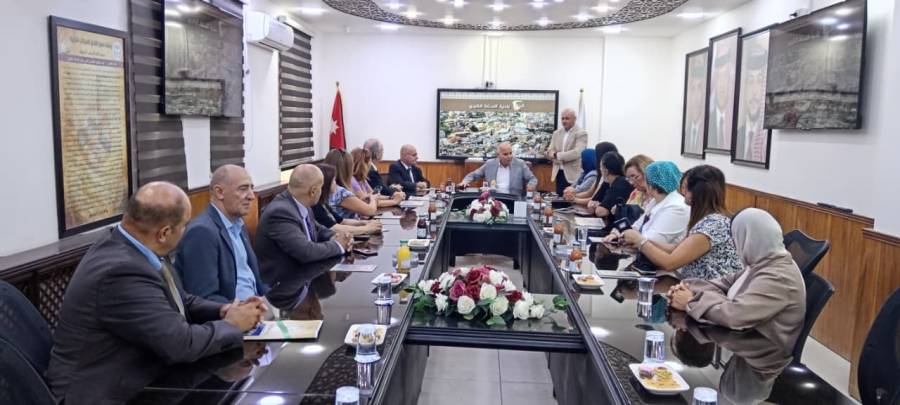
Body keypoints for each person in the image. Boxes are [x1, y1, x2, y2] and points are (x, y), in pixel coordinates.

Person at [46, 182, 266, 404]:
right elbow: (180, 344)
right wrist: (232, 325)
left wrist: (223, 310)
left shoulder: (134, 244)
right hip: (104, 394)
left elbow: (180, 300)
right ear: (164, 233)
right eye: (184, 226)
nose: (186, 231)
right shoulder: (122, 272)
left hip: (143, 377)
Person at [668, 208, 807, 352]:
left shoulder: (778, 277)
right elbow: (722, 284)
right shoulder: (762, 261)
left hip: (762, 355)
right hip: (742, 343)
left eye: (736, 239)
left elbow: (733, 316)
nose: (735, 245)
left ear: (749, 239)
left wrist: (690, 301)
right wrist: (686, 287)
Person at [622, 165, 742, 280]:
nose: (682, 192)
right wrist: (638, 241)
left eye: (685, 187)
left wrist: (640, 241)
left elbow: (670, 263)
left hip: (709, 290)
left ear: (697, 191)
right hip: (693, 285)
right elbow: (676, 248)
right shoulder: (706, 219)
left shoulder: (713, 225)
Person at [174, 165, 269, 303]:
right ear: (219, 192)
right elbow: (204, 298)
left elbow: (254, 279)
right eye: (243, 189)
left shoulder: (238, 224)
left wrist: (271, 303)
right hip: (234, 313)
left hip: (258, 307)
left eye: (251, 188)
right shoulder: (202, 232)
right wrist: (245, 310)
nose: (251, 196)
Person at [255, 164, 353, 288]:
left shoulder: (301, 203)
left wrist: (338, 237)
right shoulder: (280, 212)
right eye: (321, 188)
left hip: (304, 278)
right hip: (283, 287)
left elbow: (318, 229)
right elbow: (306, 252)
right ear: (313, 191)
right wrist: (338, 245)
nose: (321, 192)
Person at [607, 161, 689, 245]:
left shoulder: (677, 207)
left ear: (652, 183)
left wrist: (627, 236)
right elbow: (637, 226)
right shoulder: (656, 201)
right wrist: (618, 234)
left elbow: (653, 240)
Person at [313, 163, 382, 235]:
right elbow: (334, 228)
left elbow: (342, 221)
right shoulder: (315, 205)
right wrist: (367, 229)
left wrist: (365, 223)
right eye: (333, 180)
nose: (336, 184)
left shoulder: (323, 202)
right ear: (326, 184)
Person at [458, 142, 538, 197]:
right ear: (498, 155)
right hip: (494, 198)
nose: (509, 156)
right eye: (505, 154)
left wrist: (531, 185)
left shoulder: (520, 164)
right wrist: (464, 182)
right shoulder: (490, 164)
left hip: (514, 199)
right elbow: (474, 175)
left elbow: (533, 179)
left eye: (510, 153)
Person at [323, 148, 378, 218]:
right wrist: (373, 198)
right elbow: (370, 211)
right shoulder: (341, 193)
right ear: (348, 169)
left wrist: (360, 202)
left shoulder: (324, 188)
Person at [546, 108, 588, 195]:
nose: (564, 121)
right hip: (558, 172)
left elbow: (577, 153)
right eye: (562, 118)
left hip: (573, 174)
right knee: (559, 200)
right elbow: (550, 151)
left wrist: (556, 155)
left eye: (567, 118)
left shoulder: (581, 133)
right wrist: (550, 154)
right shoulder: (556, 133)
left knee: (570, 200)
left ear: (574, 119)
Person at [707, 39, 737, 151]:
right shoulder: (708, 122)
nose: (722, 84)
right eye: (719, 77)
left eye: (726, 76)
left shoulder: (735, 125)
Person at [570, 142, 618, 207]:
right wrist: (572, 196)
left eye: (596, 155)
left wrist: (574, 199)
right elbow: (589, 192)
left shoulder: (602, 176)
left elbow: (594, 198)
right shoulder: (600, 174)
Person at [588, 151, 633, 219]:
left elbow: (600, 212)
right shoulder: (608, 182)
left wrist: (597, 206)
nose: (600, 170)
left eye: (601, 167)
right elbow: (591, 203)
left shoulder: (621, 183)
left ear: (606, 171)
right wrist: (596, 206)